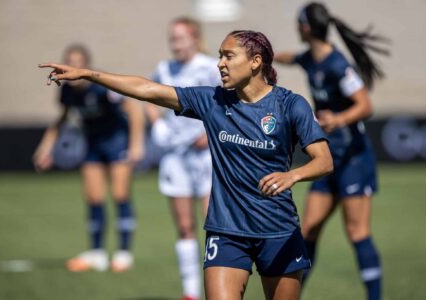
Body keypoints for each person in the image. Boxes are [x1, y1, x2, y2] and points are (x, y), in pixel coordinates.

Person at [39, 29, 333, 300]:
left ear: (256, 62)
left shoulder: (291, 105)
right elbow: (148, 89)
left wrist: (292, 175)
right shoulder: (213, 101)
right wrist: (90, 74)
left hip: (278, 230)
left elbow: (324, 161)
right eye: (219, 55)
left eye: (228, 56)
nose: (220, 63)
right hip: (227, 231)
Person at [274, 3, 389, 299]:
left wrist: (338, 119)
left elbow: (365, 105)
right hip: (327, 159)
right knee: (308, 228)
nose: (296, 28)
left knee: (356, 232)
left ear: (307, 27)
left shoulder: (338, 65)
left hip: (354, 159)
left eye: (299, 23)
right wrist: (262, 57)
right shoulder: (310, 58)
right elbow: (289, 58)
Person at [34, 44, 145, 272]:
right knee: (94, 197)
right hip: (93, 143)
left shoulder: (101, 85)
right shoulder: (66, 90)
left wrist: (136, 144)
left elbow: (133, 109)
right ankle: (97, 253)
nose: (72, 66)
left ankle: (123, 253)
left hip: (117, 141)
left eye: (77, 62)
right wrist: (46, 148)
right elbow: (62, 118)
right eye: (69, 61)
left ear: (86, 65)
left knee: (119, 194)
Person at [146, 17, 221, 300]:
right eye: (172, 38)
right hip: (176, 157)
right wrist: (157, 124)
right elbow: (147, 97)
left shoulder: (209, 67)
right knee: (185, 226)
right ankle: (190, 293)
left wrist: (211, 132)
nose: (175, 44)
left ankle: (216, 288)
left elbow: (228, 102)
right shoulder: (165, 69)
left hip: (206, 157)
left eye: (180, 38)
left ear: (194, 38)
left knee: (212, 225)